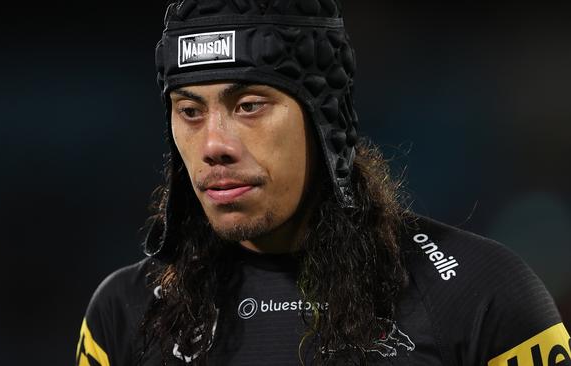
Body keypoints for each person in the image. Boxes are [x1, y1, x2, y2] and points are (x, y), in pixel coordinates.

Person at [75, 1, 570, 365]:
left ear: (324, 118)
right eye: (190, 111)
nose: (213, 145)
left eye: (249, 106)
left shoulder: (480, 294)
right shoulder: (125, 312)